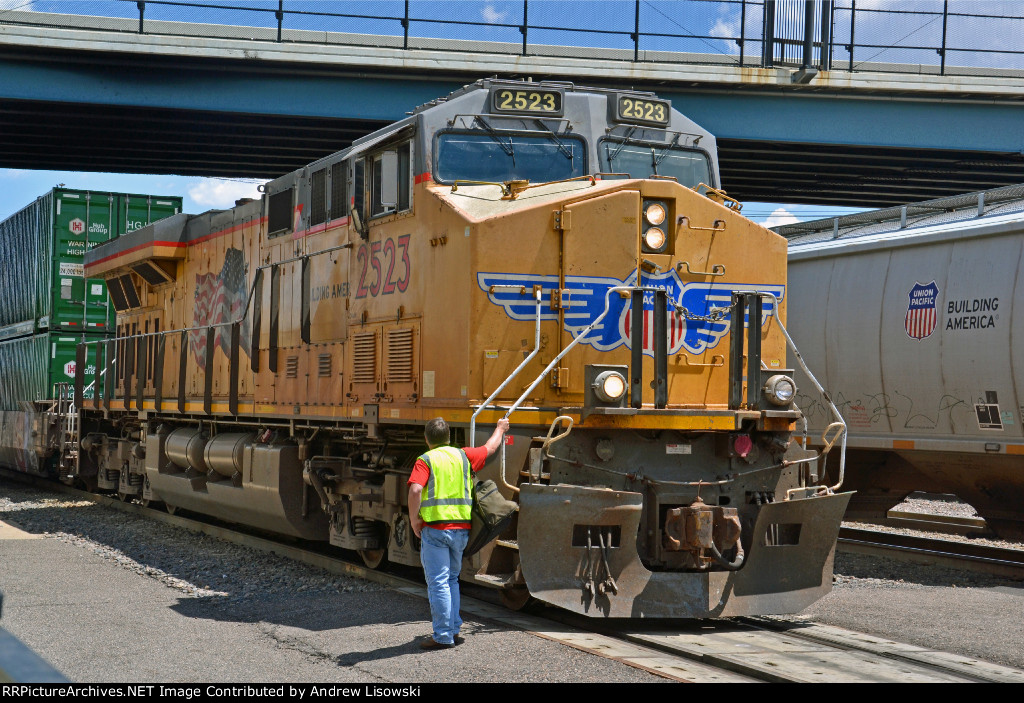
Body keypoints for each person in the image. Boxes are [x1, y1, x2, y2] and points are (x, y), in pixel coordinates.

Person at [408, 416, 510, 649]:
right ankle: (453, 629)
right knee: (452, 579)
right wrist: (500, 428)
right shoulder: (463, 455)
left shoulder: (426, 460)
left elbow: (415, 490)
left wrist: (415, 520)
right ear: (449, 438)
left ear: (427, 439)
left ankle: (443, 636)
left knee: (438, 583)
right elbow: (490, 448)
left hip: (435, 530)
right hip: (461, 531)